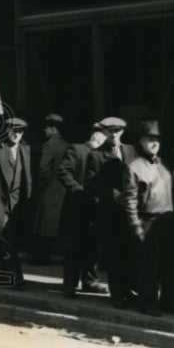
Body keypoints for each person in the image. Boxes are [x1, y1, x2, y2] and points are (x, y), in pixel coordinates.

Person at [122, 121, 174, 316]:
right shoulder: (134, 167)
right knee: (150, 267)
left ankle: (170, 303)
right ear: (141, 141)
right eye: (150, 139)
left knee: (170, 265)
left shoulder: (165, 164)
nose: (154, 143)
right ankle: (148, 304)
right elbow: (129, 200)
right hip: (148, 221)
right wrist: (136, 227)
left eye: (157, 140)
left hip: (168, 220)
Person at [57, 122, 109, 297]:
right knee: (74, 245)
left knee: (92, 245)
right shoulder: (77, 149)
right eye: (103, 134)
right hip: (77, 206)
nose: (105, 138)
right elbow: (64, 172)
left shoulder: (105, 154)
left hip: (96, 206)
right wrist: (78, 189)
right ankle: (69, 284)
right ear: (95, 135)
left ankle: (90, 281)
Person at [92, 116, 137, 308]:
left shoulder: (131, 150)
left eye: (117, 131)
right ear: (104, 133)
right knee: (114, 254)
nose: (114, 135)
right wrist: (111, 192)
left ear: (122, 132)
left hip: (130, 211)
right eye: (110, 132)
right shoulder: (95, 155)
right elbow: (91, 184)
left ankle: (128, 290)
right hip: (110, 212)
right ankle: (117, 294)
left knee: (129, 253)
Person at [0, 117, 32, 289]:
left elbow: (27, 176)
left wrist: (28, 196)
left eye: (19, 131)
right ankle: (17, 278)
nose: (16, 134)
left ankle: (5, 273)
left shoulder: (25, 149)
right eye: (13, 130)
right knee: (6, 238)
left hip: (18, 202)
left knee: (12, 238)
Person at [32, 113, 68, 264]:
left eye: (47, 127)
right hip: (63, 189)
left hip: (49, 189)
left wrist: (40, 183)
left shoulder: (49, 145)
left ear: (54, 129)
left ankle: (42, 257)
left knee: (44, 224)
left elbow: (43, 169)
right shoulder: (67, 144)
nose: (45, 130)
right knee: (57, 222)